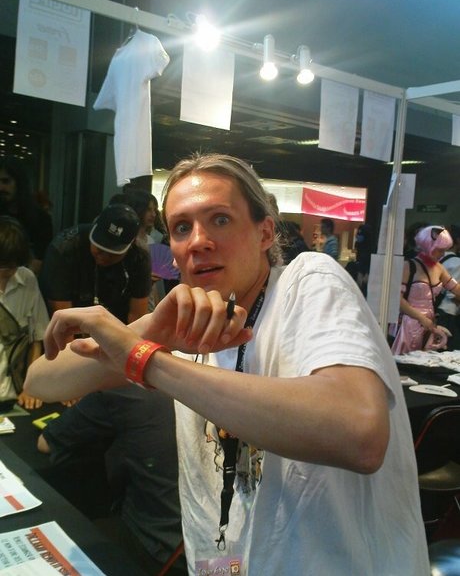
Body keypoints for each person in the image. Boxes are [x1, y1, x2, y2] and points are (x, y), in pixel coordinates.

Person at [26, 153, 429, 575]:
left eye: (220, 219)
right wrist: (147, 331)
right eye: (182, 227)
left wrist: (147, 360)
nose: (198, 241)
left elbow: (359, 432)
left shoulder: (307, 281)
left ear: (265, 232)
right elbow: (44, 381)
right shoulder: (193, 321)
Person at [37, 384, 183, 572]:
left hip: (158, 546)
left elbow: (46, 442)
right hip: (209, 550)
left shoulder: (121, 387)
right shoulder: (206, 387)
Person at [40, 203, 151, 324]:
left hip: (117, 323)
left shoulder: (139, 256)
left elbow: (136, 317)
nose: (103, 257)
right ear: (94, 226)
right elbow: (63, 318)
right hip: (72, 319)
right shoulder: (64, 249)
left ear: (131, 244)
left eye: (113, 253)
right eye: (100, 248)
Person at [0, 216, 49, 409]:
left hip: (16, 392)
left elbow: (37, 337)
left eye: (11, 267)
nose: (5, 273)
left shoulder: (27, 279)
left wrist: (31, 386)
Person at [391, 225, 460, 355]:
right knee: (405, 361)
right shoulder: (409, 266)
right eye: (439, 250)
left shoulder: (439, 268)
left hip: (429, 325)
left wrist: (426, 321)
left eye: (444, 250)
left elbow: (456, 289)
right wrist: (421, 318)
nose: (442, 254)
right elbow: (397, 299)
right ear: (429, 246)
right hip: (408, 324)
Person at [0, 157, 53, 274]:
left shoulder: (40, 218)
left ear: (19, 183)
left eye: (6, 181)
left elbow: (39, 264)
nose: (1, 187)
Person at [436, 224, 460, 350]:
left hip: (431, 312)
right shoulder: (457, 263)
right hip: (447, 314)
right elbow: (455, 295)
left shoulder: (436, 259)